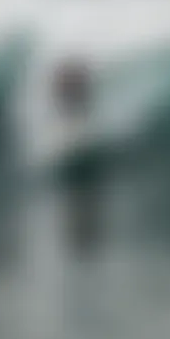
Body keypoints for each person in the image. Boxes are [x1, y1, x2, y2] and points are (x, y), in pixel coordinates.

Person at [53, 59, 107, 259]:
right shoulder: (69, 83)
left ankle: (84, 234)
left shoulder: (76, 83)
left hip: (75, 104)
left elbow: (81, 99)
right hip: (72, 105)